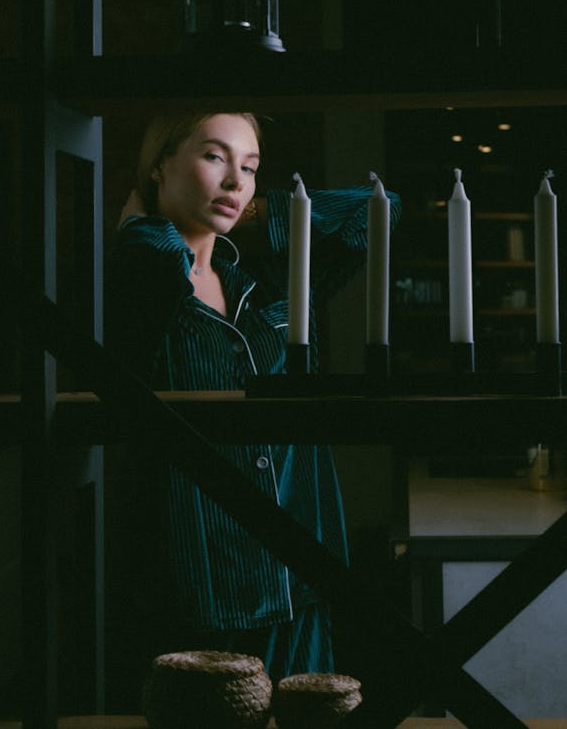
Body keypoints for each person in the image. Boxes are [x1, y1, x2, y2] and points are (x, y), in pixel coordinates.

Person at [103, 112, 401, 710]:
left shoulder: (268, 282)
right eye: (215, 157)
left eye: (251, 166)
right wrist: (145, 226)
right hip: (201, 583)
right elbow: (144, 270)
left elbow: (376, 207)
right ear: (159, 162)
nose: (237, 180)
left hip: (299, 571)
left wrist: (270, 209)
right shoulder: (142, 273)